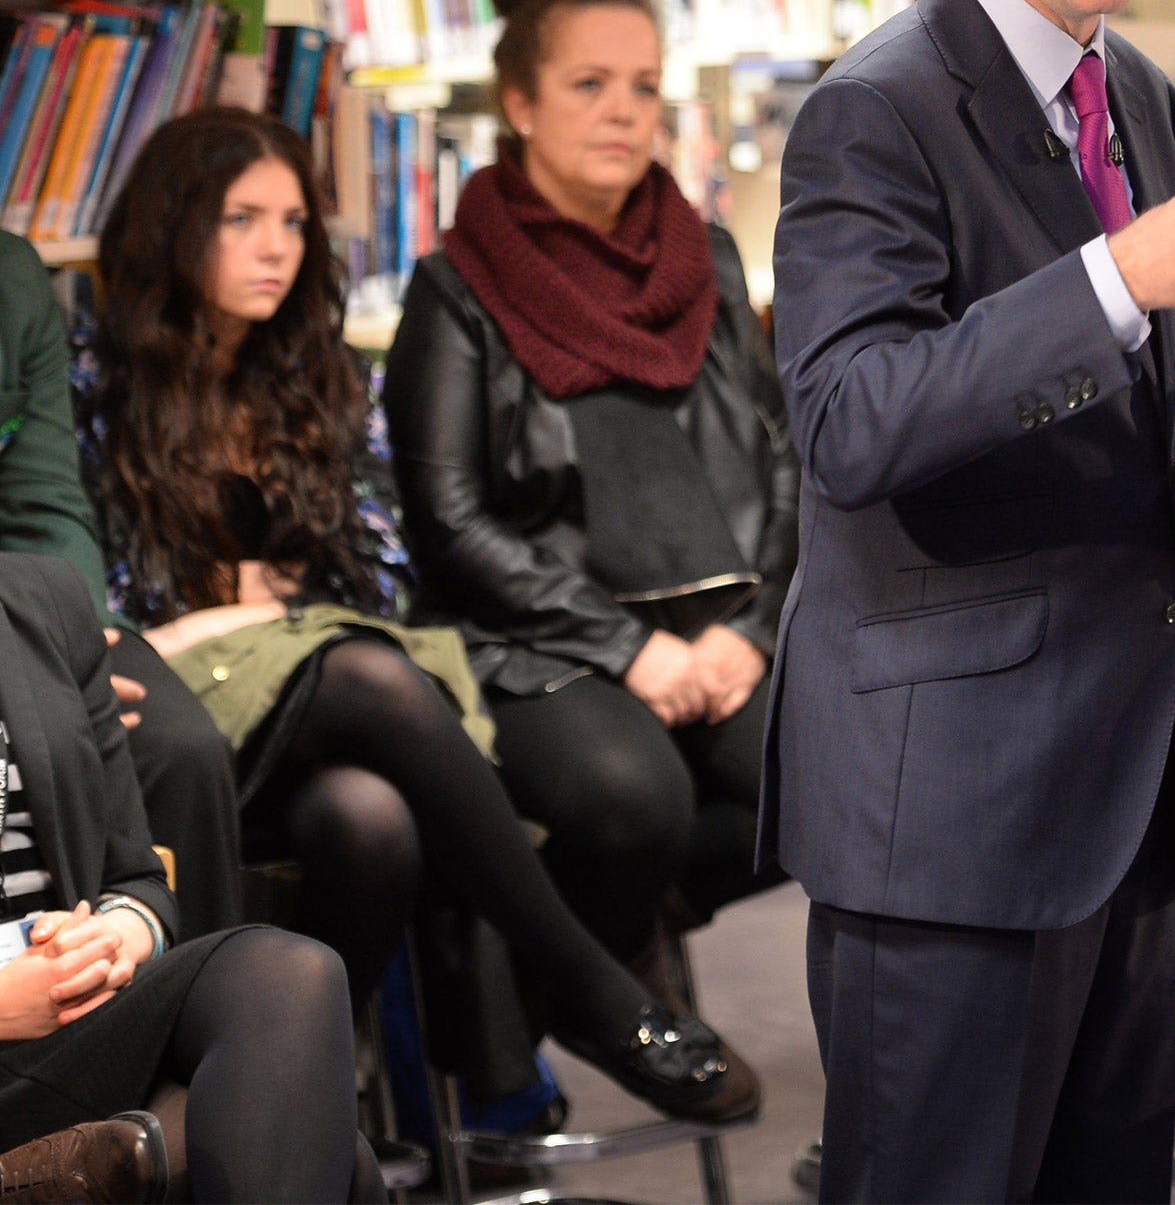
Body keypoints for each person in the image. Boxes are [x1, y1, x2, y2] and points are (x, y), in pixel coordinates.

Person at [766, 0, 1175, 1199]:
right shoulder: (873, 110)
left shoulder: (1144, 92)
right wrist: (1113, 278)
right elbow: (852, 425)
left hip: (1125, 785)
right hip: (952, 808)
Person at [83, 106, 754, 1126]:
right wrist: (254, 609)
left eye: (296, 223)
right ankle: (588, 982)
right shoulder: (100, 385)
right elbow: (112, 613)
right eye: (241, 219)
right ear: (171, 225)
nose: (276, 248)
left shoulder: (324, 376)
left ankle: (304, 1113)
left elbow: (384, 581)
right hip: (182, 732)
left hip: (319, 725)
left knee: (372, 820)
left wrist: (243, 610)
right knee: (364, 673)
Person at [384, 0, 795, 981]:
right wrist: (627, 649)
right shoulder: (455, 288)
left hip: (720, 626)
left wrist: (746, 633)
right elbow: (450, 521)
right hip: (543, 638)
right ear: (519, 104)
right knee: (631, 799)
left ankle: (588, 952)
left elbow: (783, 456)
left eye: (644, 86)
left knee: (844, 782)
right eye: (589, 84)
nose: (624, 110)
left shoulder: (710, 255)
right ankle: (579, 996)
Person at [0, 550, 380, 1203]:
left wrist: (114, 939)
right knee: (328, 1149)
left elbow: (137, 877)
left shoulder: (41, 595)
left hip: (76, 1019)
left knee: (289, 975)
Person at [0, 227, 245, 942]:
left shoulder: (13, 274)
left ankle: (185, 1017)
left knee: (185, 743)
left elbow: (45, 496)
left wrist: (75, 633)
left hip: (26, 598)